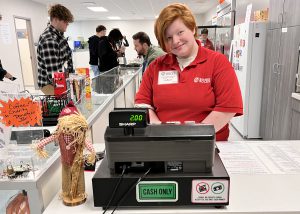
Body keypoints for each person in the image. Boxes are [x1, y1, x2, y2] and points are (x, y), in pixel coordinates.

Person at [135, 3, 243, 141]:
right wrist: (158, 129)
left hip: (209, 145)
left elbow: (227, 108)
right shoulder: (155, 67)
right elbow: (142, 104)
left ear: (192, 28)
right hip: (164, 143)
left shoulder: (218, 62)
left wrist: (194, 137)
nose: (175, 41)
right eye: (168, 37)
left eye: (180, 32)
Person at [37, 4, 74, 95]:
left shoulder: (59, 35)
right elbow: (54, 75)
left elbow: (66, 60)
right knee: (62, 108)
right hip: (51, 85)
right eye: (65, 21)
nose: (67, 24)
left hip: (62, 81)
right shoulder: (49, 40)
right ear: (56, 19)